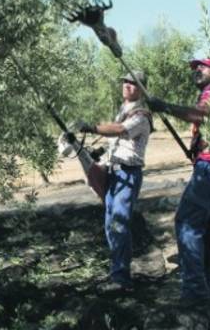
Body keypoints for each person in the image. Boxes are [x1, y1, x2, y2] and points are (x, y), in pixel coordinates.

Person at [147, 58, 210, 308]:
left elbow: (203, 114)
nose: (197, 70)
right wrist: (196, 148)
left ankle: (195, 293)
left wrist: (165, 106)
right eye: (194, 68)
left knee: (187, 222)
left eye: (203, 67)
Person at [74, 70, 152, 292]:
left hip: (128, 174)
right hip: (114, 173)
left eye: (133, 83)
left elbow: (119, 131)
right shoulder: (123, 110)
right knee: (111, 224)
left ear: (141, 88)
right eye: (125, 82)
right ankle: (118, 272)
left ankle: (121, 278)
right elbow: (117, 142)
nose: (127, 85)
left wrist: (91, 127)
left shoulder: (141, 115)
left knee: (118, 222)